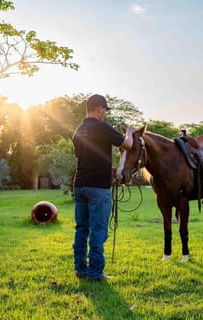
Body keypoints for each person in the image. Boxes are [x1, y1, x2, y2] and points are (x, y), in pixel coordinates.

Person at [72, 94, 133, 281]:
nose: (105, 114)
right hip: (98, 188)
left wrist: (109, 169)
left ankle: (81, 270)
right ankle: (96, 273)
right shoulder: (102, 128)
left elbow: (86, 158)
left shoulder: (78, 131)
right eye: (104, 110)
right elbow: (128, 144)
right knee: (98, 231)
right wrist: (129, 131)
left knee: (82, 229)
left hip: (80, 185)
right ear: (99, 109)